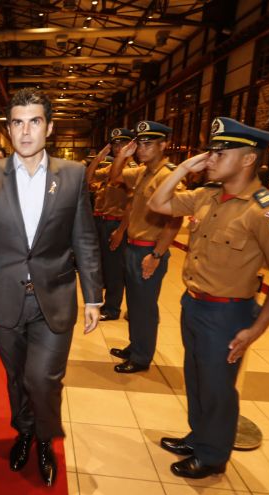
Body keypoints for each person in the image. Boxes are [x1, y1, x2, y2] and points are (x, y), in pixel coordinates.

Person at [0, 88, 103, 487]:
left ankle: (44, 438)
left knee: (42, 378)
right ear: (8, 129)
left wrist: (93, 295)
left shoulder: (72, 176)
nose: (25, 131)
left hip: (53, 296)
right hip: (3, 298)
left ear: (49, 127)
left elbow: (85, 238)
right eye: (18, 122)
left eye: (34, 121)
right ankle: (23, 429)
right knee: (16, 374)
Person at [148, 117, 269, 479]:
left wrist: (257, 328)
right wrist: (185, 167)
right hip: (193, 303)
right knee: (198, 378)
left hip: (228, 314)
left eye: (220, 152)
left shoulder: (268, 211)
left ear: (248, 159)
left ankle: (213, 455)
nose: (210, 158)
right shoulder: (207, 195)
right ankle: (199, 436)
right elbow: (158, 203)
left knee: (218, 388)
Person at [107, 120, 184, 373]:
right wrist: (122, 155)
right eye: (139, 143)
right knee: (136, 303)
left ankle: (141, 358)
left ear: (164, 145)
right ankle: (135, 345)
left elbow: (175, 220)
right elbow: (115, 176)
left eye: (148, 144)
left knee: (145, 307)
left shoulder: (168, 176)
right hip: (132, 247)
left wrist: (156, 254)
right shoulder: (143, 172)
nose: (142, 148)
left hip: (149, 249)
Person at [85, 127, 139, 322]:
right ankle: (102, 303)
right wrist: (98, 158)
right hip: (102, 222)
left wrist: (120, 231)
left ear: (132, 145)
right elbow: (87, 178)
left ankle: (112, 308)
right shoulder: (112, 168)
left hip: (116, 224)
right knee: (104, 266)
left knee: (115, 269)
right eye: (115, 144)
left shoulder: (133, 170)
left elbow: (132, 206)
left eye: (123, 144)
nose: (118, 148)